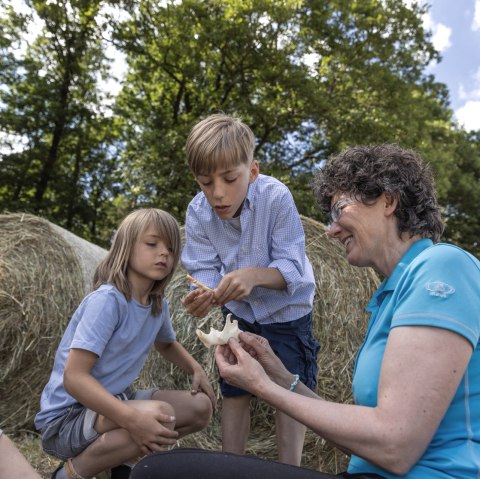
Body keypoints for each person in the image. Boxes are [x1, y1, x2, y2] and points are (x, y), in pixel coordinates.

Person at [132, 144, 479, 479]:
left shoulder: (441, 267)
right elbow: (370, 429)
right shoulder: (388, 297)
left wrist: (263, 387)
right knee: (176, 462)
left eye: (339, 210)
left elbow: (395, 446)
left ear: (388, 200)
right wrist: (281, 375)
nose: (330, 230)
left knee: (156, 471)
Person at [35, 208, 216, 479]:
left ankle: (125, 462)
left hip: (113, 402)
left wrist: (196, 370)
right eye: (152, 244)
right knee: (160, 415)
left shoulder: (157, 304)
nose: (164, 253)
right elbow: (74, 378)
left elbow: (166, 344)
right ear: (126, 247)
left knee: (201, 408)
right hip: (67, 418)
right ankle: (71, 473)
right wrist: (132, 419)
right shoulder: (108, 301)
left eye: (171, 248)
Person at [181, 113, 319, 465]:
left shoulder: (276, 198)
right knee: (234, 387)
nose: (217, 193)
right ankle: (232, 468)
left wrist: (254, 276)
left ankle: (291, 471)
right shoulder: (197, 213)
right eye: (204, 183)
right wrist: (207, 295)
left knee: (288, 393)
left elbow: (293, 269)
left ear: (252, 171)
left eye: (229, 179)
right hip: (238, 315)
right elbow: (203, 267)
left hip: (287, 316)